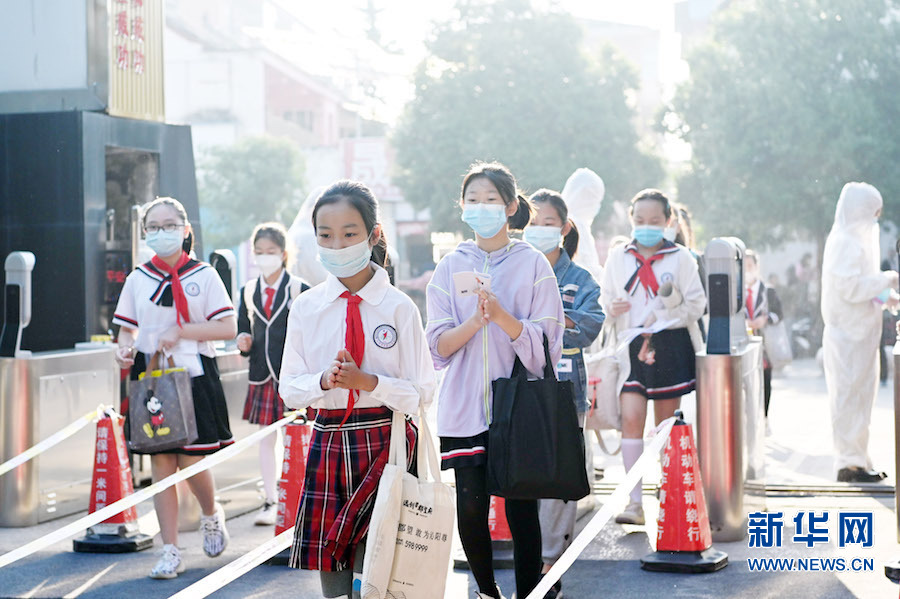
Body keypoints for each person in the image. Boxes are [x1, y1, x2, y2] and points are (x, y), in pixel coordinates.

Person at [279, 181, 436, 599]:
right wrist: (323, 381)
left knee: (379, 557)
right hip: (329, 437)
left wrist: (368, 383)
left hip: (387, 441)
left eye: (349, 233)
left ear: (374, 234)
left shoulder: (398, 307)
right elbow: (289, 390)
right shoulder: (307, 307)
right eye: (325, 235)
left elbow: (423, 392)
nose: (337, 243)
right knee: (331, 555)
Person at [426, 162, 565, 599]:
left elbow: (549, 346)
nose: (480, 208)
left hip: (518, 405)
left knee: (522, 508)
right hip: (464, 405)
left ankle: (529, 592)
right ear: (462, 208)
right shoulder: (449, 266)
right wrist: (474, 323)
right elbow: (436, 346)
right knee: (469, 504)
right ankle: (487, 592)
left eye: (490, 200)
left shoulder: (533, 264)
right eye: (472, 200)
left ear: (508, 206)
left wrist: (504, 318)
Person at [112, 197, 235, 579]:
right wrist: (122, 346)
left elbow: (227, 328)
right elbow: (126, 327)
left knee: (192, 460)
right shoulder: (138, 278)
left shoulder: (204, 275)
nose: (161, 232)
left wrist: (181, 331)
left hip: (194, 376)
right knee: (162, 463)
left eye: (168, 225)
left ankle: (211, 514)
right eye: (153, 227)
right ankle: (170, 550)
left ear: (184, 229)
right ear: (145, 233)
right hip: (151, 381)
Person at [601, 189, 706, 525]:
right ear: (631, 220)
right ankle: (633, 503)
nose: (646, 226)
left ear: (668, 221)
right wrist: (612, 309)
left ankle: (669, 492)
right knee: (630, 417)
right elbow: (604, 300)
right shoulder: (619, 256)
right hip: (630, 347)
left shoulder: (681, 258)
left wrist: (664, 316)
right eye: (639, 220)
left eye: (654, 221)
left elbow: (696, 306)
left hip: (670, 345)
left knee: (664, 424)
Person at [523, 189, 604, 599]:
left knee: (558, 483)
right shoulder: (511, 272)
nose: (539, 231)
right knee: (522, 477)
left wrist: (555, 317)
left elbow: (591, 326)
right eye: (532, 224)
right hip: (516, 393)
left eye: (548, 223)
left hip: (565, 394)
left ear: (566, 228)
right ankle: (528, 560)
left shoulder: (581, 280)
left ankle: (550, 564)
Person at [822, 182, 899, 483]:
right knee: (849, 398)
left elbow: (859, 285)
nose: (875, 220)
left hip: (860, 333)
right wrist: (888, 279)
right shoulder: (845, 241)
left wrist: (883, 298)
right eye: (873, 213)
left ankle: (859, 459)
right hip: (848, 336)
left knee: (861, 397)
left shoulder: (856, 239)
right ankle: (849, 464)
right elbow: (850, 287)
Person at [236, 222, 309, 525]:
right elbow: (243, 328)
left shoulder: (299, 288)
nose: (265, 257)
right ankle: (271, 499)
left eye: (271, 251)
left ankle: (300, 499)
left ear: (283, 253)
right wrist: (242, 342)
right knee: (265, 440)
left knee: (296, 437)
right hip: (261, 375)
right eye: (259, 252)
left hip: (292, 374)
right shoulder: (249, 291)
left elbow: (310, 334)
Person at [744, 250, 777, 418]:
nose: (748, 270)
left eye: (750, 266)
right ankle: (751, 417)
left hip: (765, 344)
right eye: (745, 266)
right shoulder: (737, 292)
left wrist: (765, 319)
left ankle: (764, 417)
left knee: (765, 380)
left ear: (757, 267)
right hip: (746, 342)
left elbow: (778, 314)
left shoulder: (767, 291)